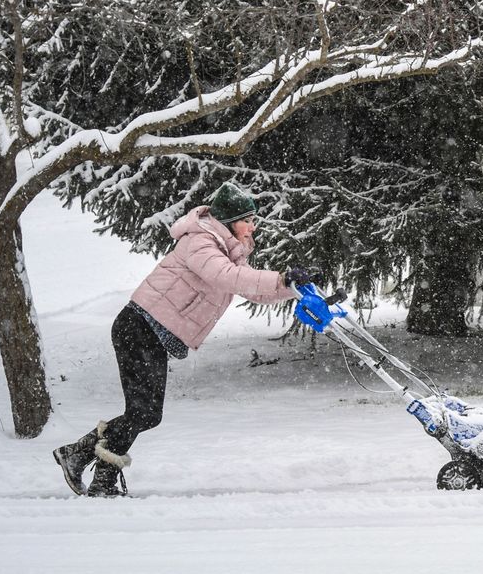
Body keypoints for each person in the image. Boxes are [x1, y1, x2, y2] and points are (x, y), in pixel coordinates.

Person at [52, 182, 321, 497]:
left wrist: (292, 288)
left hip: (148, 333)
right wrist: (281, 278)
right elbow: (229, 278)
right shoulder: (200, 242)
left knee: (144, 413)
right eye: (247, 219)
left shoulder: (226, 250)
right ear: (230, 220)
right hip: (138, 328)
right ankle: (90, 466)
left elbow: (249, 287)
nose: (252, 226)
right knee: (145, 413)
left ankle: (89, 467)